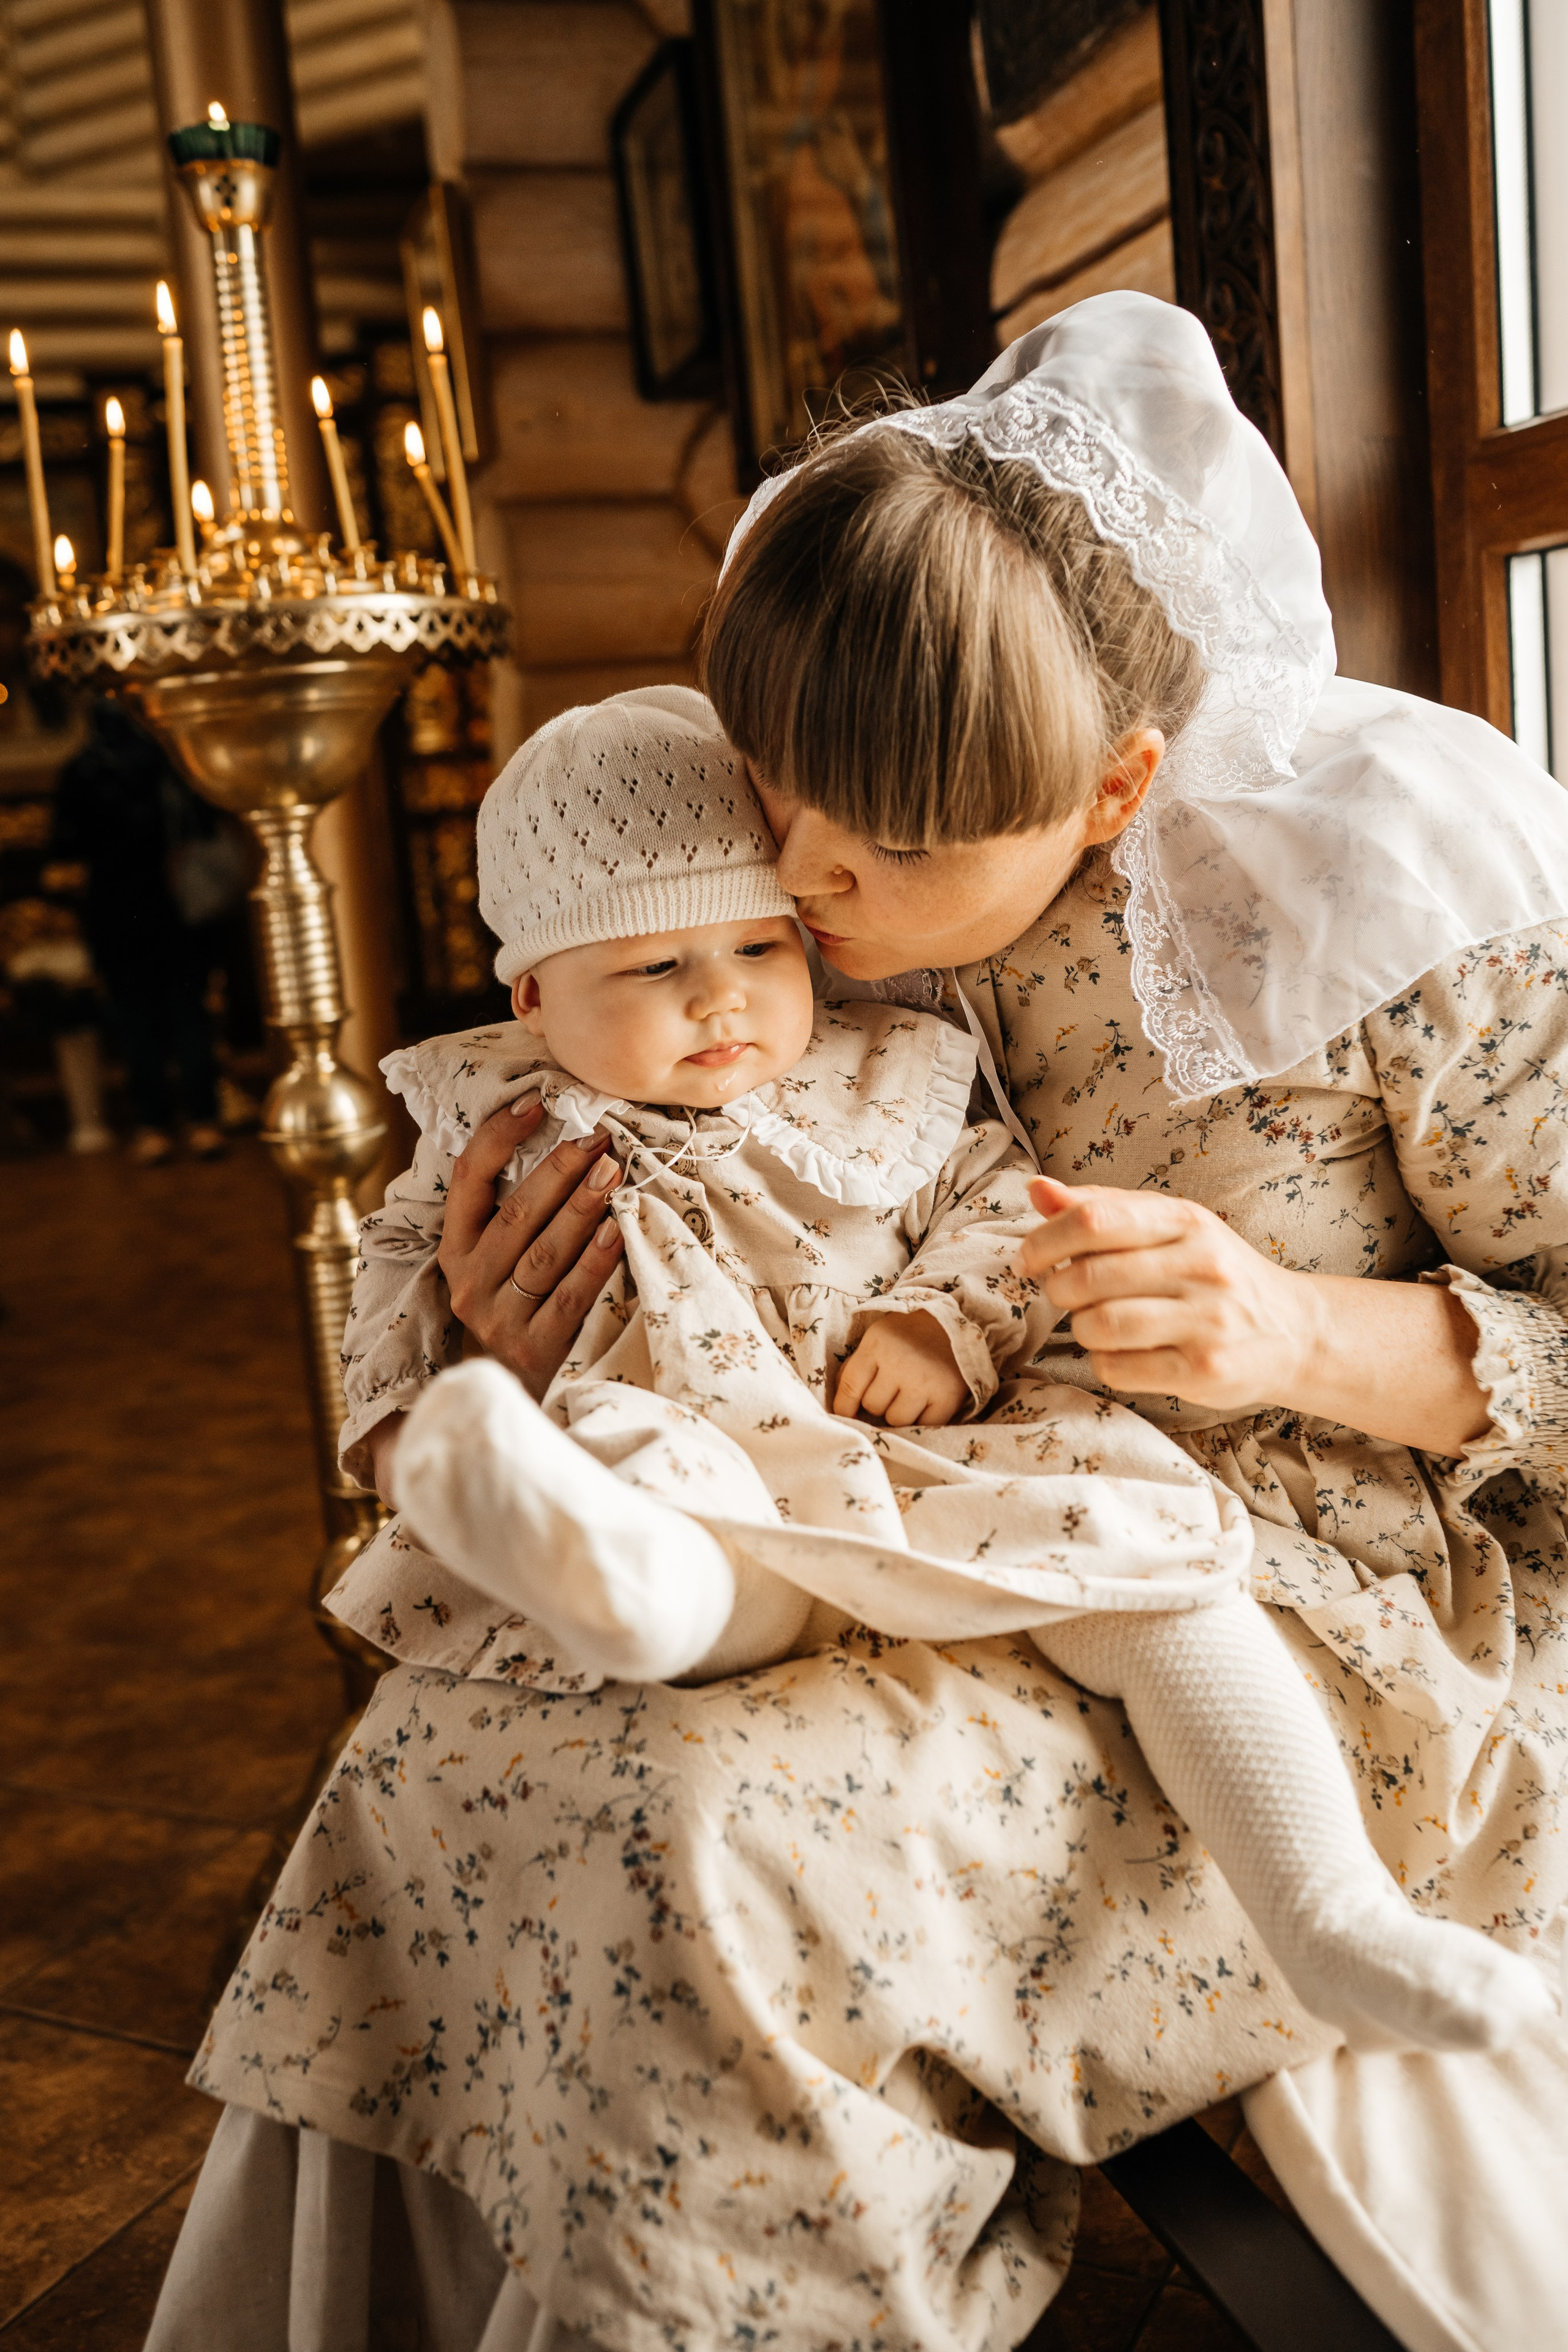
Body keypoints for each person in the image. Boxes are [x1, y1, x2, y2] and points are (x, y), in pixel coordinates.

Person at [148, 296, 1568, 2352]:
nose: (808, 893)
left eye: (892, 849)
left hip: (1302, 1609)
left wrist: (1297, 1334)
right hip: (876, 1516)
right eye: (779, 800)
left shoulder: (1389, 898)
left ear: (1115, 787)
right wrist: (504, 1326)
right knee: (445, 1754)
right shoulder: (767, 886)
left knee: (710, 1835)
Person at [335, 679, 1546, 2060]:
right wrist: (426, 1399)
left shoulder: (879, 1073)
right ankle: (615, 1584)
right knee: (646, 1477)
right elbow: (393, 1274)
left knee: (1156, 1571)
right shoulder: (491, 1122)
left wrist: (933, 1323)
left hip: (916, 1462)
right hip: (708, 1474)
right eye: (656, 968)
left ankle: (1331, 1920)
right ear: (534, 994)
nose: (722, 998)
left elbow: (993, 1199)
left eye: (756, 946)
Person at [50, 698, 246, 1164]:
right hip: (178, 907)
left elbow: (64, 847)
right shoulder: (172, 763)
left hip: (115, 913)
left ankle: (154, 1126)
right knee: (189, 1014)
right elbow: (205, 823)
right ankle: (204, 1122)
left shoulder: (80, 770)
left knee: (136, 1021)